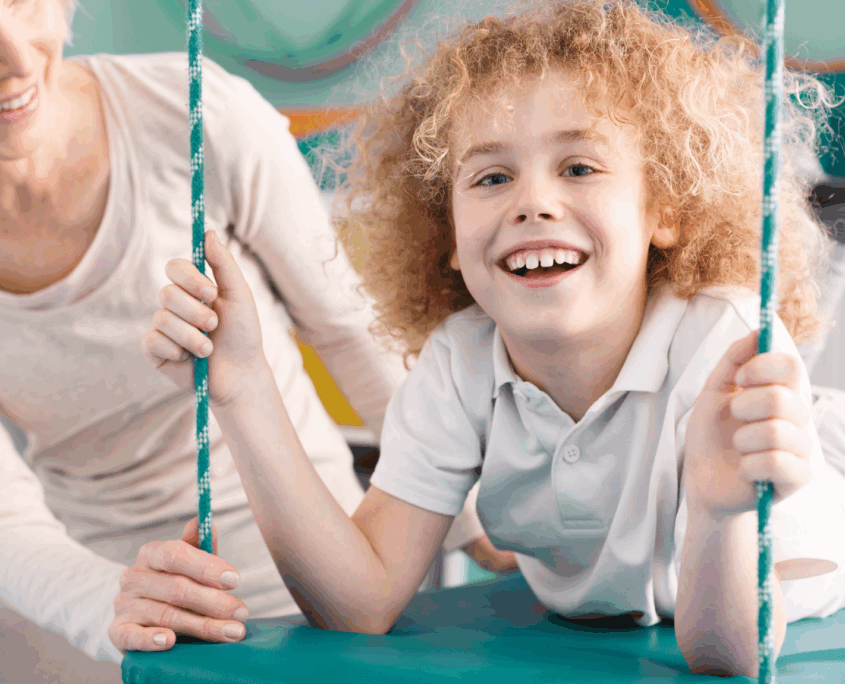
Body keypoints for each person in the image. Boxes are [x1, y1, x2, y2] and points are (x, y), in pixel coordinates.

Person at [143, 0, 845, 678]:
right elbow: (359, 600)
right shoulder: (462, 359)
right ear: (448, 234)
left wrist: (721, 513)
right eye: (491, 177)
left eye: (578, 167)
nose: (531, 202)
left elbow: (729, 658)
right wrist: (243, 387)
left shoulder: (723, 343)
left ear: (662, 209)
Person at [0, 0, 511, 679]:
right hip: (118, 611)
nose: (13, 55)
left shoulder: (195, 113)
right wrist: (114, 606)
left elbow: (346, 331)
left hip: (323, 579)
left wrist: (471, 519)